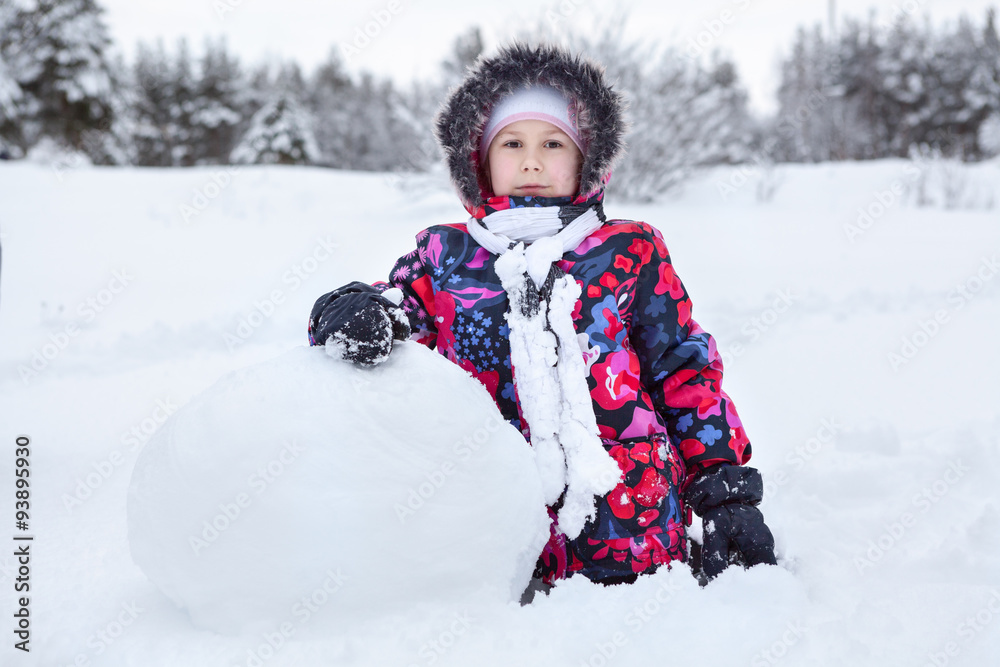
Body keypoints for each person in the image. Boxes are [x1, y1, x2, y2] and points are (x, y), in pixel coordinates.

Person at [308, 43, 775, 589]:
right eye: (511, 143)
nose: (532, 161)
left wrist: (727, 490)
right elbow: (396, 315)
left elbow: (682, 370)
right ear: (478, 159)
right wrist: (356, 312)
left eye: (553, 143)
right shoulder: (444, 256)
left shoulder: (630, 250)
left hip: (635, 537)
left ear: (586, 157)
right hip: (492, 543)